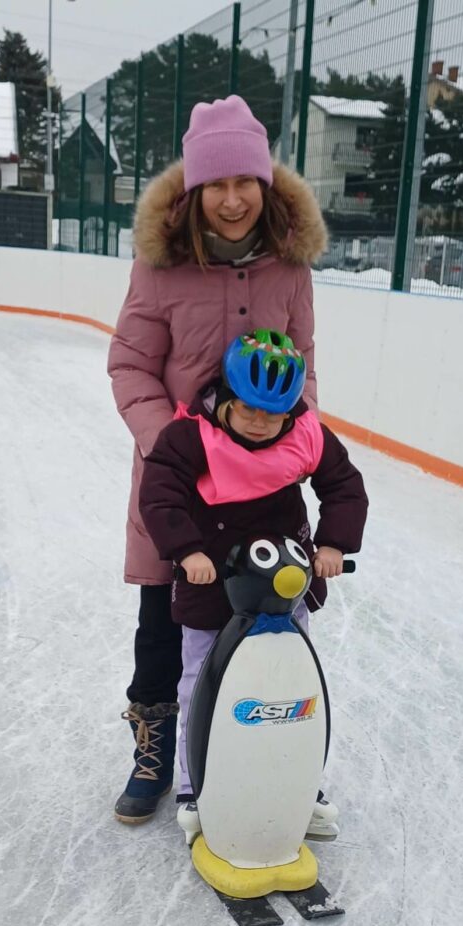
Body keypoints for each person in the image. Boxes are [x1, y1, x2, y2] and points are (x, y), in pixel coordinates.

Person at [108, 95, 328, 825]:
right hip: (177, 486)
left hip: (261, 494)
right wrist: (171, 446)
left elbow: (302, 367)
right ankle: (157, 748)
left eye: (245, 183)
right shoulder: (160, 267)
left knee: (268, 619)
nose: (232, 201)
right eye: (216, 185)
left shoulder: (290, 268)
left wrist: (294, 447)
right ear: (195, 190)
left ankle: (265, 750)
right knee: (163, 625)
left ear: (264, 183)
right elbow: (130, 366)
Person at [138, 330, 368, 843]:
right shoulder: (191, 437)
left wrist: (333, 544)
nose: (261, 423)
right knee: (203, 681)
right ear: (225, 396)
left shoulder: (307, 434)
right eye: (249, 410)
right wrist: (187, 551)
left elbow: (344, 485)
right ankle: (196, 786)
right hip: (211, 582)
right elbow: (159, 493)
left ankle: (296, 783)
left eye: (275, 414)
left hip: (285, 582)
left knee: (288, 683)